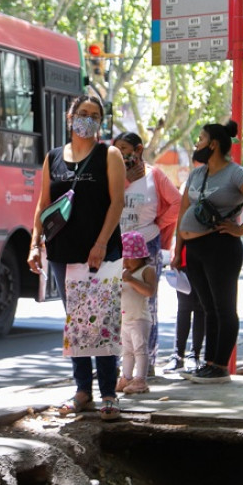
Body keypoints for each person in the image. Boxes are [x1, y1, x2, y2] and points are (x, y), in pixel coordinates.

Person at [27, 95, 125, 420]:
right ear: (71, 118)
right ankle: (83, 391)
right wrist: (34, 243)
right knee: (76, 323)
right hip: (62, 252)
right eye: (83, 113)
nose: (88, 119)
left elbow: (116, 204)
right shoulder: (53, 156)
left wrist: (100, 243)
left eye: (95, 115)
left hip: (100, 253)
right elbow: (42, 204)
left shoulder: (108, 155)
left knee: (101, 322)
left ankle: (109, 392)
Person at [173, 120, 243, 384]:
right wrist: (178, 248)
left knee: (224, 308)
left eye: (201, 138)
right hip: (193, 249)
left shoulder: (236, 173)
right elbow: (183, 210)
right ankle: (209, 364)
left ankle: (220, 366)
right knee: (206, 307)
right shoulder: (196, 174)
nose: (197, 143)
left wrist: (242, 230)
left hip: (221, 248)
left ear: (213, 144)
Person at [112, 131, 181, 373]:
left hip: (145, 247)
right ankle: (117, 364)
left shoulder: (155, 175)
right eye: (115, 148)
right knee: (116, 304)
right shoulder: (112, 176)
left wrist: (158, 223)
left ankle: (146, 363)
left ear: (138, 149)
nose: (119, 153)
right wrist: (123, 180)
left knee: (146, 305)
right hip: (115, 248)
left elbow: (178, 203)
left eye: (124, 148)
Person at [117, 230, 158, 395]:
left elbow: (149, 291)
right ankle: (126, 377)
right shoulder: (124, 273)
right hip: (125, 319)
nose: (126, 263)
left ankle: (140, 380)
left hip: (140, 319)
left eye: (129, 258)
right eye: (123, 258)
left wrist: (132, 280)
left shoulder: (146, 271)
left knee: (140, 350)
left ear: (141, 256)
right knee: (126, 351)